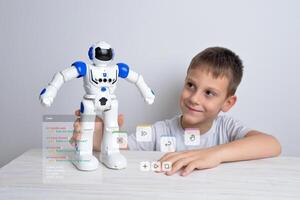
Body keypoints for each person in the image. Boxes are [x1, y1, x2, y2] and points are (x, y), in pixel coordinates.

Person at [71, 46, 281, 176]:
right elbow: (118, 148)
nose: (194, 98)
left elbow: (272, 144)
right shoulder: (160, 131)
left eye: (209, 93)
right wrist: (99, 136)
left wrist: (213, 155)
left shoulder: (227, 129)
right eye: (191, 85)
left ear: (227, 103)